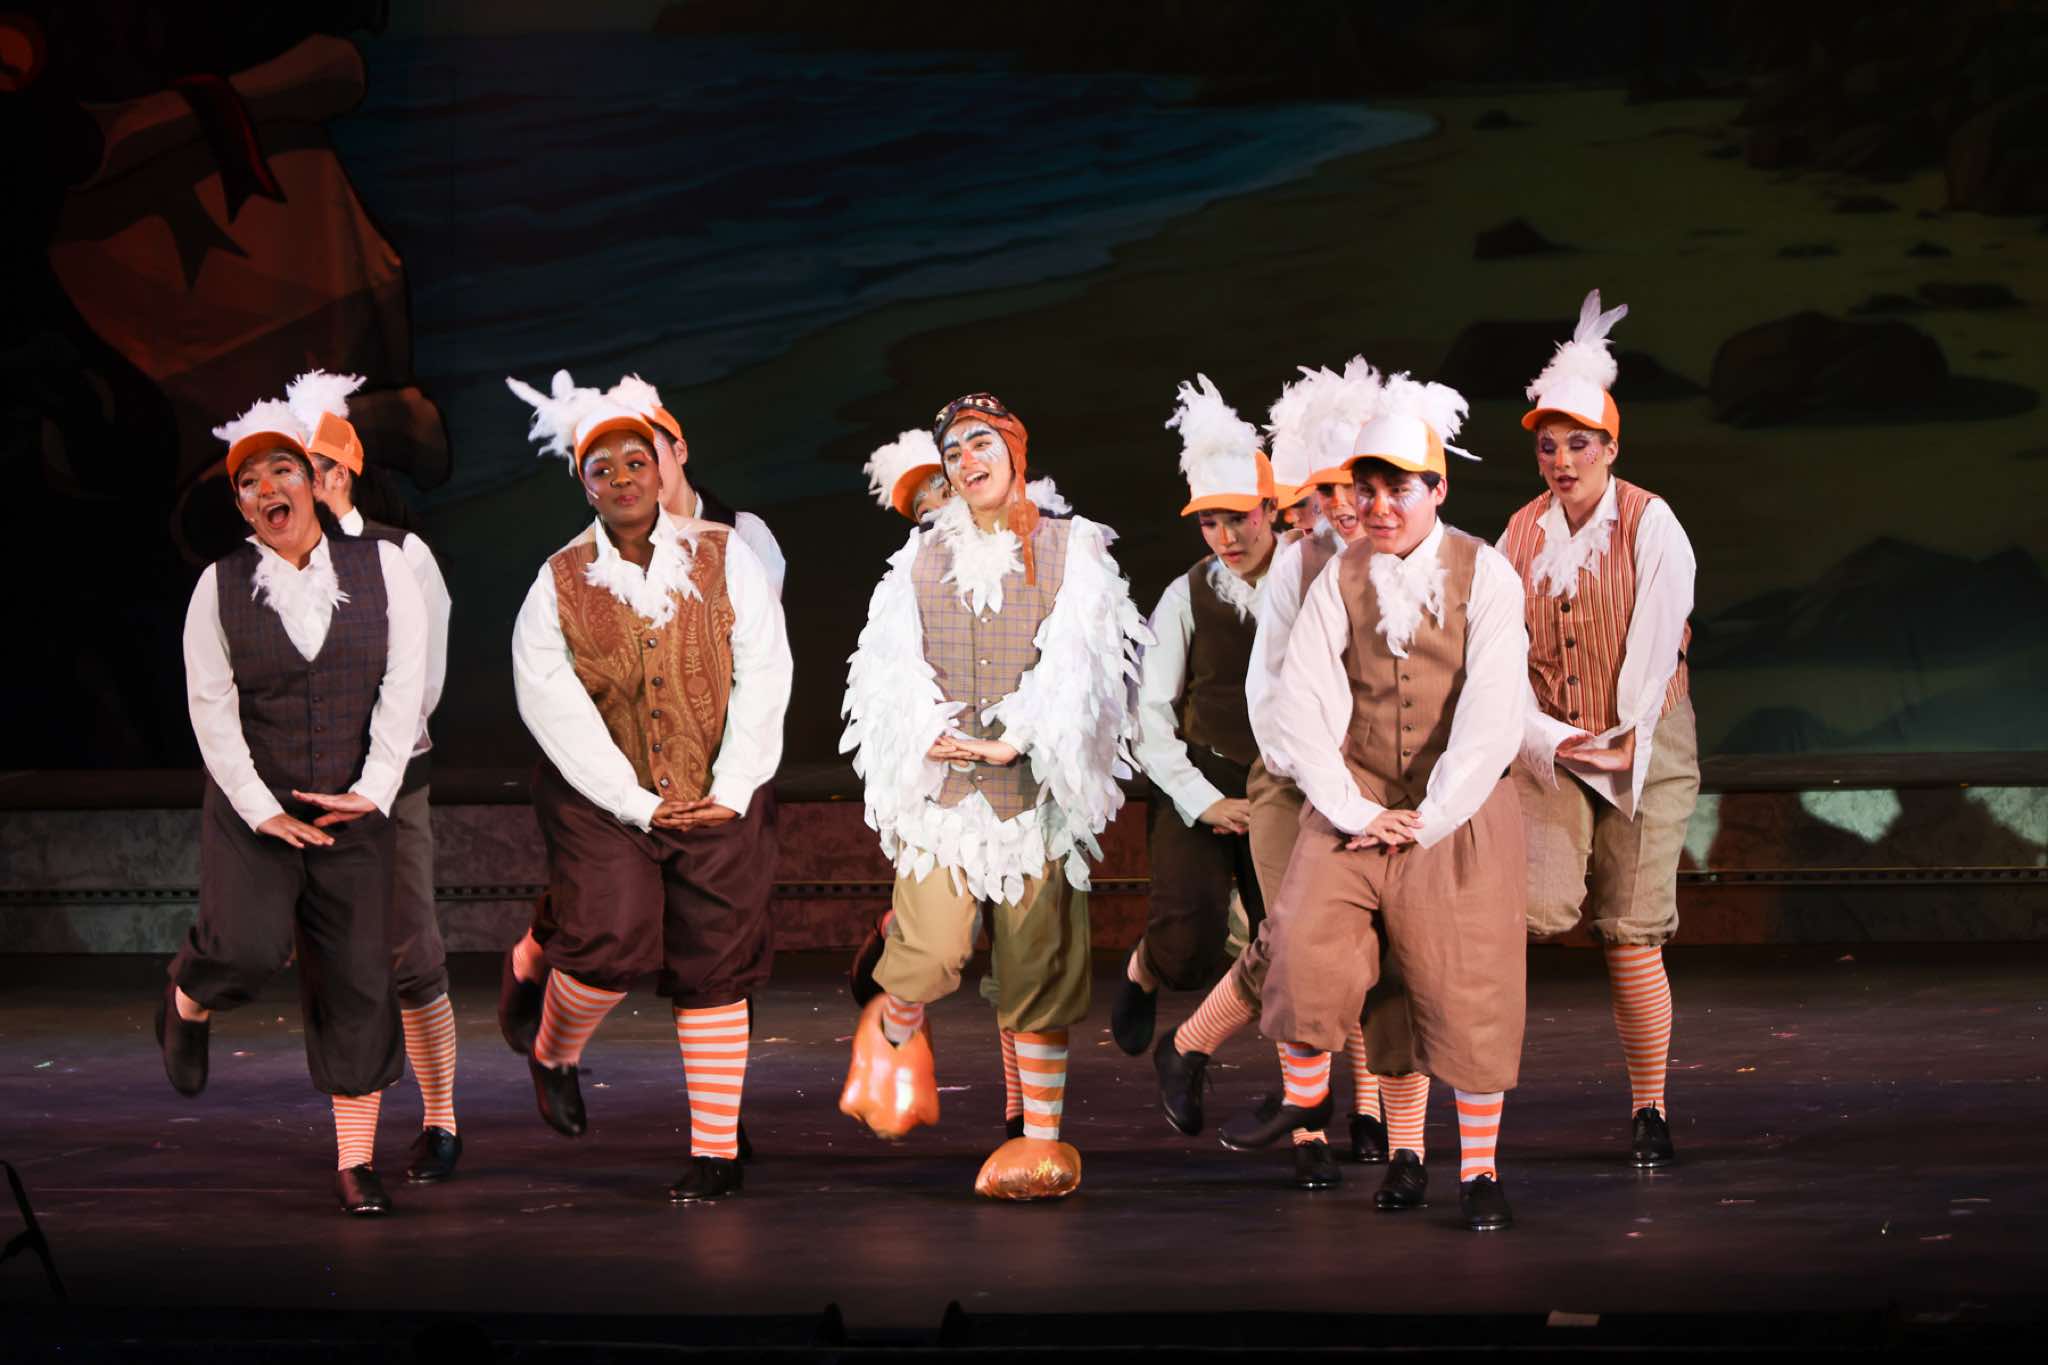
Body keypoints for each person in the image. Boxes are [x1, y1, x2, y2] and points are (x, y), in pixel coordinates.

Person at [1228, 373, 1532, 1232]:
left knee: (1465, 990)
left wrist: (1430, 816)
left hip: (1457, 816)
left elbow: (1491, 715)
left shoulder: (1487, 575)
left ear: (1438, 488)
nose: (1380, 506)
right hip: (1358, 807)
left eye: (1399, 488)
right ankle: (1332, 1112)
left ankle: (1478, 1169)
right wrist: (1357, 811)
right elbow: (1302, 699)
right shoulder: (1340, 575)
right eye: (1367, 490)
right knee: (1305, 948)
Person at [837, 392, 1149, 1199]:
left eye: (981, 443)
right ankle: (891, 1030)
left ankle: (1039, 1141)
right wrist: (922, 728)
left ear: (1015, 450)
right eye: (953, 452)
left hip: (1031, 797)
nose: (966, 461)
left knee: (1037, 967)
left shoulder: (1071, 547)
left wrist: (1021, 735)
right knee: (934, 947)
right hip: (946, 799)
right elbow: (887, 663)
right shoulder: (919, 557)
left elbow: (1085, 663)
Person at [504, 371, 792, 1202]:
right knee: (609, 939)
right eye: (605, 468)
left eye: (638, 461)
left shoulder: (726, 552)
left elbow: (765, 669)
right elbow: (552, 708)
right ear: (584, 484)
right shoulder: (558, 581)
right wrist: (636, 802)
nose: (625, 478)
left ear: (662, 466)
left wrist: (733, 786)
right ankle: (553, 1052)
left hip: (718, 784)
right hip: (604, 796)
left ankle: (715, 1153)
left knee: (716, 957)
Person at [160, 385, 428, 1214]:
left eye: (282, 470)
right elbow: (211, 711)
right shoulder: (218, 588)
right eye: (249, 482)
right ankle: (186, 999)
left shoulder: (383, 567)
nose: (267, 489)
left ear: (314, 480)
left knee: (359, 979)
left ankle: (355, 1161)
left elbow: (405, 683)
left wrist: (374, 788)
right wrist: (259, 807)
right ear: (242, 505)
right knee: (245, 948)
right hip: (257, 805)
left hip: (355, 806)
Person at [1154, 360, 1414, 1189]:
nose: (1339, 507)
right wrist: (1334, 788)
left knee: (1378, 952)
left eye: (1350, 488)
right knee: (1297, 947)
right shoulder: (1299, 570)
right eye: (1321, 493)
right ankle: (1303, 1127)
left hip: (1378, 791)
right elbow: (1271, 706)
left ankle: (1372, 1114)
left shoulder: (1405, 558)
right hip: (1294, 784)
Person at [1499, 290, 1699, 1168]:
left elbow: (1654, 653)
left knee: (1630, 931)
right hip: (1554, 742)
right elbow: (1498, 655)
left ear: (1610, 448)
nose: (1562, 460)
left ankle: (1649, 1105)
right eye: (1548, 445)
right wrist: (1548, 741)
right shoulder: (1519, 533)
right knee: (1533, 909)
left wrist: (1620, 743)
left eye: (1579, 443)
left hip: (1646, 740)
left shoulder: (1652, 524)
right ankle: (1457, 1094)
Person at [292, 370, 462, 1184]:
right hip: (303, 788)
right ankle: (352, 1154)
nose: (303, 485)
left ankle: (441, 1118)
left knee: (411, 952)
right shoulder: (264, 567)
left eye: (316, 468)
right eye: (291, 470)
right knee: (335, 961)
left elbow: (423, 675)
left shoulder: (400, 553)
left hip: (391, 782)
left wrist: (377, 763)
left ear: (346, 471)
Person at [1115, 376, 1277, 1062]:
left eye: (1238, 517)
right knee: (1186, 948)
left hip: (1284, 783)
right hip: (1204, 772)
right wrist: (1204, 800)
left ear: (1271, 508)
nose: (1226, 536)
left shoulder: (1312, 580)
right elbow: (1149, 714)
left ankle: (1306, 1099)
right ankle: (1144, 969)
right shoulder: (1186, 594)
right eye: (1210, 522)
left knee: (1291, 944)